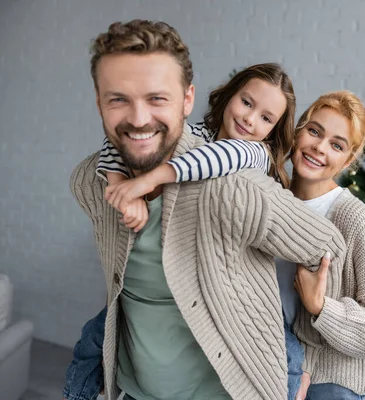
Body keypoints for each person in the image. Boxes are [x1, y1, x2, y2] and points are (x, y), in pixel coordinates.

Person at [67, 19, 346, 400]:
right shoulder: (192, 134)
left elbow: (220, 158)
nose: (249, 119)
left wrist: (151, 179)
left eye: (265, 118)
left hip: (246, 313)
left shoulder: (252, 156)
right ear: (229, 95)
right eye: (246, 103)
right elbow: (121, 139)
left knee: (283, 356)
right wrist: (118, 184)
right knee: (93, 339)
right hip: (148, 357)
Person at [288, 92, 365, 400]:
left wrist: (321, 307)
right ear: (299, 130)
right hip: (281, 378)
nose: (319, 147)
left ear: (348, 160)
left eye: (337, 145)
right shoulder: (273, 200)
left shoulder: (356, 220)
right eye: (314, 131)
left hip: (342, 389)